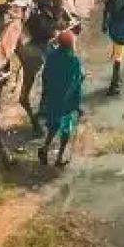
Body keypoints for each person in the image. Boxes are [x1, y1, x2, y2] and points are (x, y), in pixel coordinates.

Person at [37, 30, 85, 166]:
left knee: (54, 125)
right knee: (66, 130)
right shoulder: (74, 61)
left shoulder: (51, 57)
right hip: (66, 102)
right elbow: (76, 85)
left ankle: (45, 148)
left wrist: (45, 96)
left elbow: (45, 77)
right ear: (70, 45)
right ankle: (58, 159)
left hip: (52, 98)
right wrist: (77, 105)